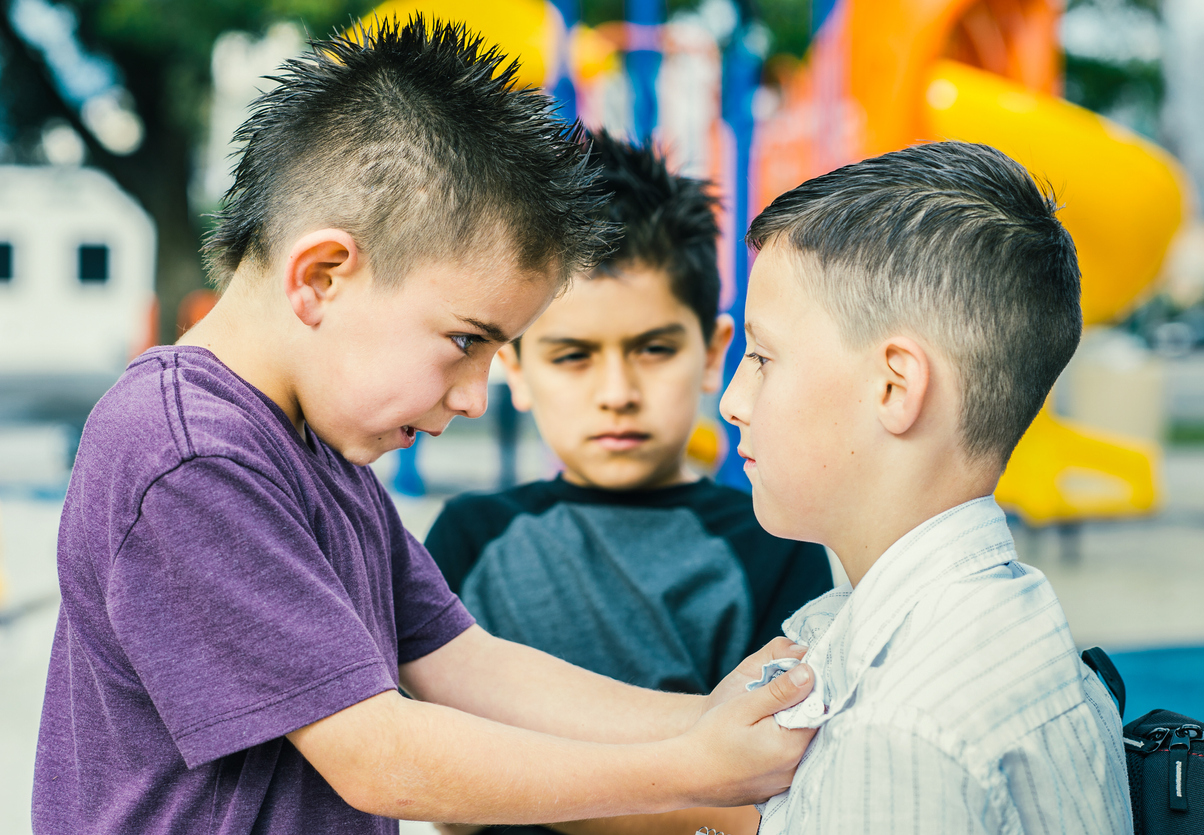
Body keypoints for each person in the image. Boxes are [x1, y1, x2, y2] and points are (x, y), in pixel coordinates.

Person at [31, 19, 820, 835]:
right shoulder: (188, 455)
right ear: (323, 276)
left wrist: (703, 720)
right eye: (466, 341)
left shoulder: (318, 449)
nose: (478, 396)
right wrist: (691, 769)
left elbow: (464, 664)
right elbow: (382, 756)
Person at [424, 133, 834, 835]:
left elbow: (766, 803)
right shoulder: (472, 535)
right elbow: (439, 789)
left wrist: (512, 780)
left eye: (652, 348)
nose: (617, 391)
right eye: (573, 355)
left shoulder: (772, 544)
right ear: (514, 369)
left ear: (710, 352)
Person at [719, 141, 1134, 834]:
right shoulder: (1013, 621)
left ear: (894, 386)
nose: (733, 400)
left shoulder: (898, 729)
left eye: (762, 357)